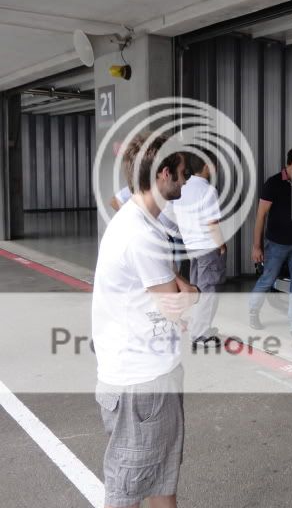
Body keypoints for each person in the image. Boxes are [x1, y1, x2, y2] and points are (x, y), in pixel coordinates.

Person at [92, 134, 199, 508]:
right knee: (126, 490)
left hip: (151, 375)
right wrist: (190, 294)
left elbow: (165, 284)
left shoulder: (138, 220)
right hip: (141, 386)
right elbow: (177, 303)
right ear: (164, 173)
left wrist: (177, 288)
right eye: (183, 173)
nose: (186, 181)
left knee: (161, 480)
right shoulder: (140, 233)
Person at [249, 145, 292, 336]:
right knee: (267, 279)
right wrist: (257, 246)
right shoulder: (274, 183)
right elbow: (261, 215)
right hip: (277, 244)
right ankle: (253, 310)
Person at [173, 152, 226, 349]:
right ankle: (201, 334)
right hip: (207, 245)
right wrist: (221, 244)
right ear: (206, 166)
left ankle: (198, 328)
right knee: (209, 289)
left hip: (191, 246)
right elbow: (212, 222)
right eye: (215, 164)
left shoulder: (183, 188)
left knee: (198, 288)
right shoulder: (207, 190)